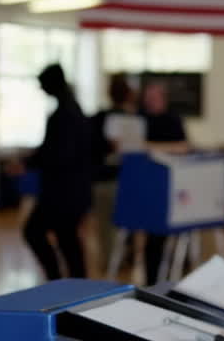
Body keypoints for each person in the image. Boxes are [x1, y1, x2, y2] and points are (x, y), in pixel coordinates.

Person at [21, 64, 93, 280]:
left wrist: (30, 161)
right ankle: (73, 285)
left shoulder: (64, 114)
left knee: (36, 232)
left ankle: (58, 280)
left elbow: (58, 154)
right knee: (67, 239)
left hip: (62, 193)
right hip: (72, 191)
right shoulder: (72, 109)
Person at [141, 81, 189, 283]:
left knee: (175, 240)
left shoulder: (172, 119)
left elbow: (183, 147)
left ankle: (176, 279)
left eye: (155, 98)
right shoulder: (139, 119)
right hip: (146, 188)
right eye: (148, 98)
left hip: (171, 187)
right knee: (153, 241)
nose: (151, 102)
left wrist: (150, 147)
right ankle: (152, 282)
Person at [89, 74, 139, 265]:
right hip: (125, 180)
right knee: (127, 226)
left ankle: (110, 264)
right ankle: (122, 262)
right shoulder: (133, 119)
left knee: (106, 228)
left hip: (104, 181)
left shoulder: (99, 118)